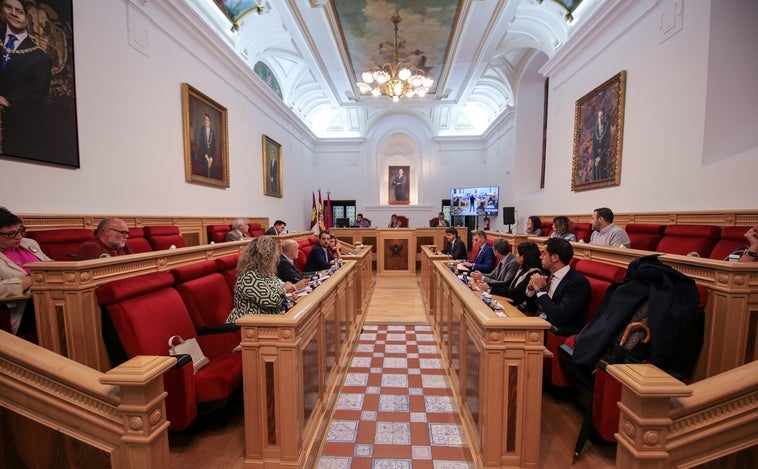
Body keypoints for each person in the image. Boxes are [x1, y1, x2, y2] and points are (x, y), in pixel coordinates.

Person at [0, 0, 52, 158]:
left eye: (19, 11)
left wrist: (6, 100)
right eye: (9, 7)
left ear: (27, 18)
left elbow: (39, 89)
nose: (14, 13)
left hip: (16, 127)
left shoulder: (39, 57)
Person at [0, 206, 52, 335]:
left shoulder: (29, 243)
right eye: (11, 233)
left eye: (20, 230)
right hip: (24, 310)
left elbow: (50, 264)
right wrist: (29, 280)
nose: (19, 237)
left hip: (50, 298)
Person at [527, 238, 590, 330]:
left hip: (554, 330)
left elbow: (559, 317)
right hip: (537, 323)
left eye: (544, 253)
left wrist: (539, 290)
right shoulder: (548, 275)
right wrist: (531, 289)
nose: (540, 257)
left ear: (555, 258)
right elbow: (532, 308)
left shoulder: (577, 283)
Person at [226, 236, 290, 321]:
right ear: (266, 258)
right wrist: (285, 290)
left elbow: (278, 293)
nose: (276, 258)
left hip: (266, 321)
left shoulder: (267, 273)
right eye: (274, 255)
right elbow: (271, 301)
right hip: (246, 325)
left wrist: (289, 297)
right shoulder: (248, 277)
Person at [478, 242, 544, 312]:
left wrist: (490, 289)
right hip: (512, 303)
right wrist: (487, 284)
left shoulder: (534, 273)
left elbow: (515, 293)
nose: (516, 255)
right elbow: (507, 284)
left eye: (517, 253)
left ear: (523, 257)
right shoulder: (522, 268)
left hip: (522, 310)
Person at [592, 108, 611, 181]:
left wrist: (600, 157)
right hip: (596, 159)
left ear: (604, 117)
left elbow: (607, 144)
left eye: (602, 116)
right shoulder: (595, 130)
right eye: (599, 117)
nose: (600, 119)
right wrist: (595, 159)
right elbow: (594, 147)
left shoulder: (607, 127)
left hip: (603, 156)